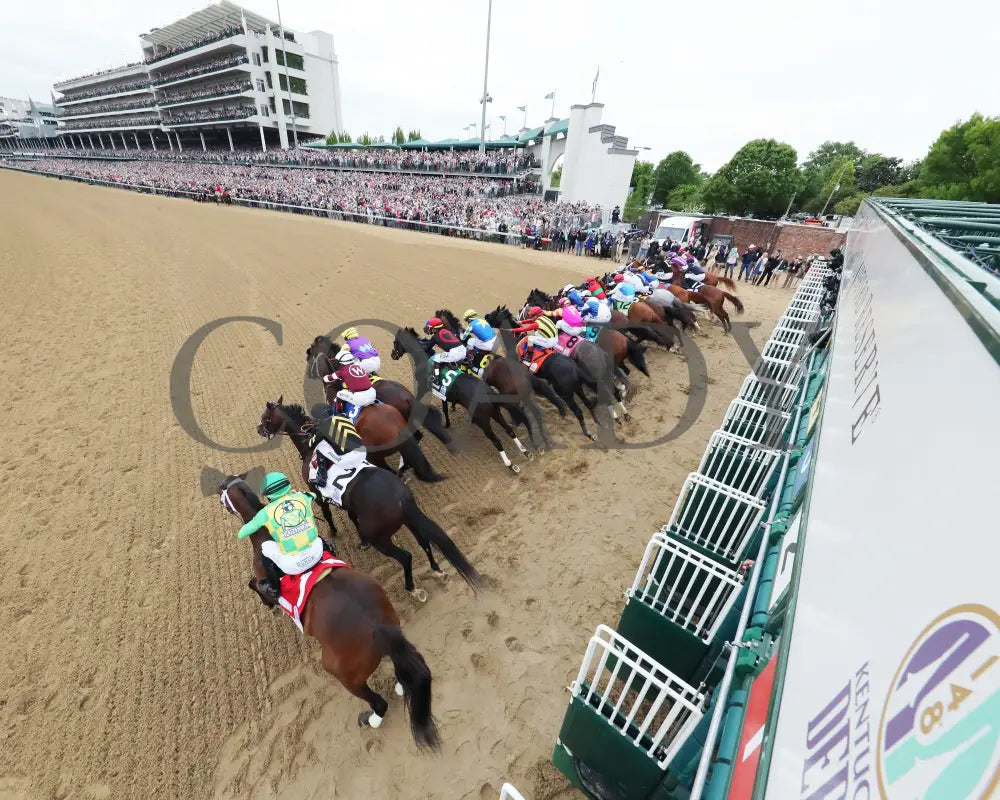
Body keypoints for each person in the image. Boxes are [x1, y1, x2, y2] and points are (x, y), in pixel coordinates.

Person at [237, 472, 325, 604]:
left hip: (293, 565)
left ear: (268, 495)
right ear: (288, 486)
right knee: (315, 536)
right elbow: (314, 495)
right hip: (317, 552)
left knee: (265, 547)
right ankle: (330, 552)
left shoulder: (265, 513)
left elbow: (241, 534)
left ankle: (275, 589)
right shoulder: (302, 497)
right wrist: (295, 495)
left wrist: (257, 520)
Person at [323, 348, 377, 420]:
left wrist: (325, 377)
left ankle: (340, 414)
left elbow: (328, 379)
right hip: (372, 393)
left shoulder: (341, 372)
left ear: (341, 363)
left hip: (360, 398)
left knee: (339, 394)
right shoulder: (359, 367)